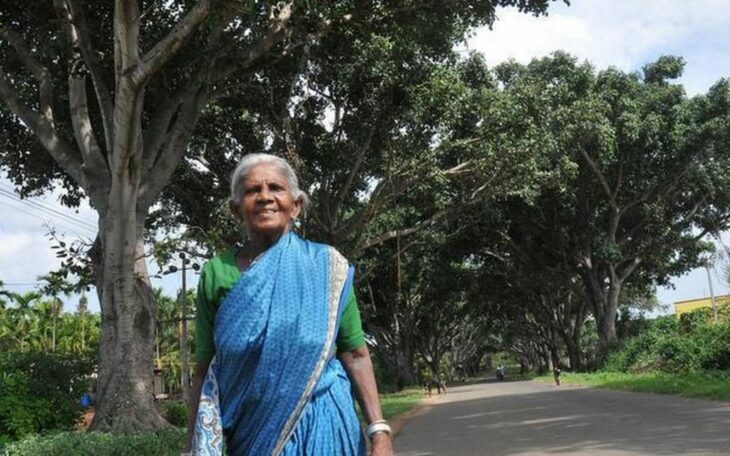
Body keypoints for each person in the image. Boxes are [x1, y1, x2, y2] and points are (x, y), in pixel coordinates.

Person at [182, 154, 393, 456]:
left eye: (276, 188)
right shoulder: (217, 273)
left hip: (327, 426)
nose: (265, 197)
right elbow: (204, 368)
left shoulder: (327, 267)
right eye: (253, 190)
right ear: (235, 209)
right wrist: (190, 447)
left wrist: (379, 431)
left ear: (296, 206)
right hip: (252, 434)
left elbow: (355, 354)